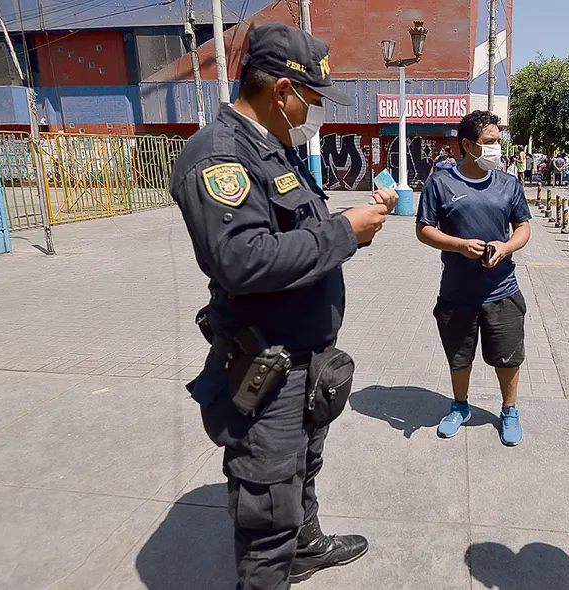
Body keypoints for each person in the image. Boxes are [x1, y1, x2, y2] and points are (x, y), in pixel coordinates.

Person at [169, 23, 396, 588]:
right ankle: (278, 562)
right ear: (281, 91)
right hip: (265, 366)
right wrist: (346, 232)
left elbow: (294, 232)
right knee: (268, 511)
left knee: (302, 467)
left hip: (305, 358)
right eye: (311, 100)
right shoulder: (219, 154)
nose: (313, 112)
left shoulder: (276, 149)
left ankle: (307, 546)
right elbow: (240, 259)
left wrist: (348, 226)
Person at [415, 110, 533, 447]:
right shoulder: (440, 182)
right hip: (456, 292)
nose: (497, 148)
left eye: (498, 141)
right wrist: (459, 245)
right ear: (467, 145)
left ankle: (509, 410)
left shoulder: (509, 184)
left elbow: (523, 227)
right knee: (459, 357)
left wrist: (506, 246)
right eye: (490, 142)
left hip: (502, 291)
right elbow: (423, 230)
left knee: (508, 357)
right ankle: (460, 406)